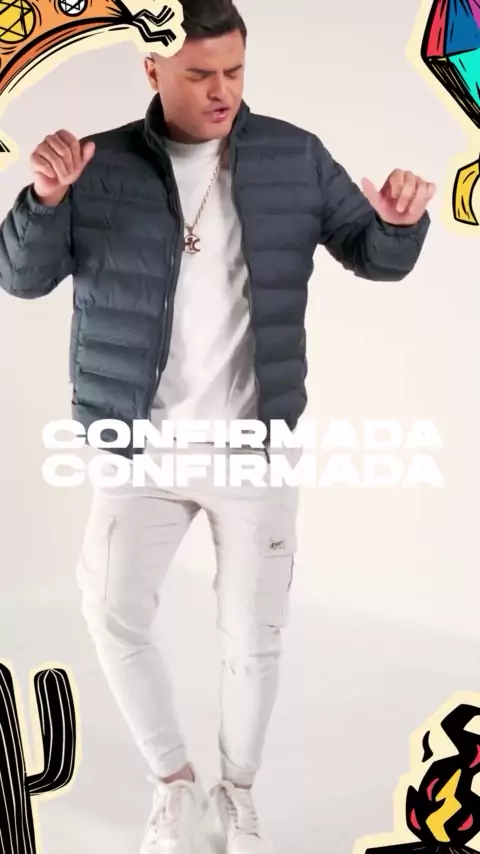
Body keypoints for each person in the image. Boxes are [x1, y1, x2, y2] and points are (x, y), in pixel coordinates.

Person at [0, 0, 435, 851]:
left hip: (253, 448)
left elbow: (372, 254)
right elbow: (22, 277)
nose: (221, 90)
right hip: (138, 446)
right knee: (112, 612)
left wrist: (399, 224)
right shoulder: (97, 165)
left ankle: (236, 793)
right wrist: (45, 198)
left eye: (234, 71)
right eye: (199, 74)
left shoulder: (293, 156)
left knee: (251, 637)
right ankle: (175, 786)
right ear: (152, 69)